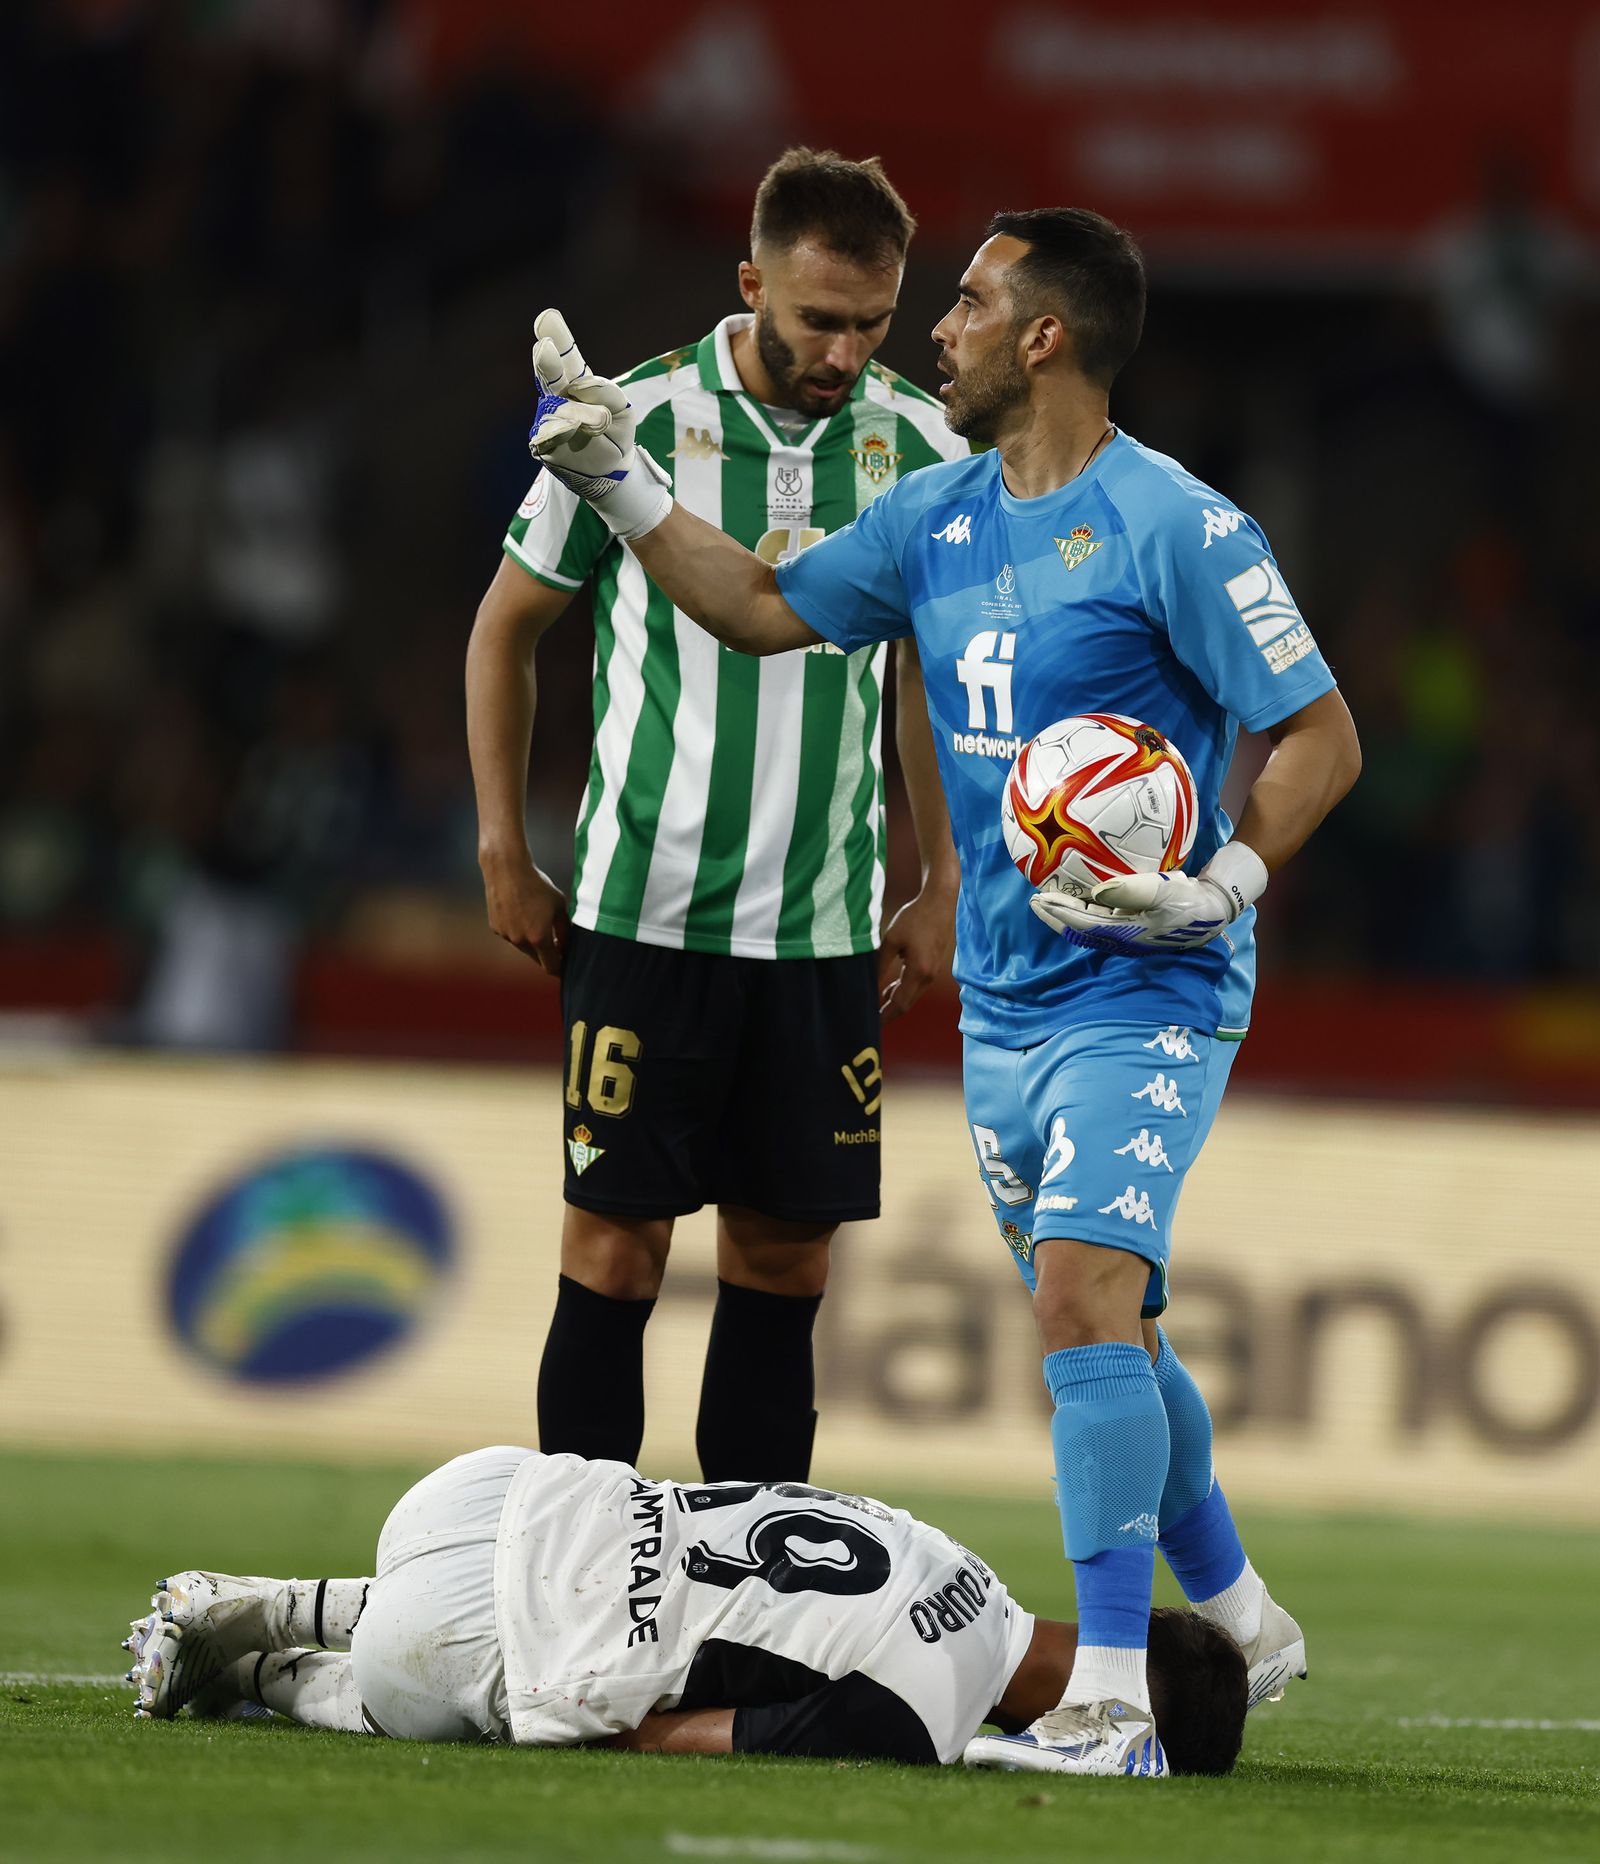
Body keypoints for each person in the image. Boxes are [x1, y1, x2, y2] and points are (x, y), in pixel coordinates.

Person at [517, 206, 1362, 1777]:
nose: (936, 330)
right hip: (1005, 998)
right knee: (1120, 1323)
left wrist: (1222, 879)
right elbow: (759, 607)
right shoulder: (939, 517)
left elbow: (1320, 735)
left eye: (968, 304)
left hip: (1150, 981)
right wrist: (615, 477)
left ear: (1046, 336)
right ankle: (1237, 1609)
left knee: (1077, 1301)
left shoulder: (1179, 526)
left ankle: (1112, 1696)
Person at [465, 149, 966, 1484]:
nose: (847, 351)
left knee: (787, 1257)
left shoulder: (920, 445)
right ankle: (577, 1580)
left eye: (873, 323)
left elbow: (922, 673)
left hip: (820, 937)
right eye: (820, 321)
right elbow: (507, 629)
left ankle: (754, 1597)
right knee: (615, 1248)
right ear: (751, 285)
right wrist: (507, 847)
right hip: (643, 912)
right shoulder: (635, 419)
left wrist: (943, 882)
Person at [122, 1444, 1246, 1775]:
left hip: (485, 1486)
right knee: (518, 1686)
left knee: (595, 1574)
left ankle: (266, 1604)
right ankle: (266, 1679)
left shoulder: (959, 1559)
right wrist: (592, 1724)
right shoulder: (928, 1718)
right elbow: (698, 1735)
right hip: (452, 1641)